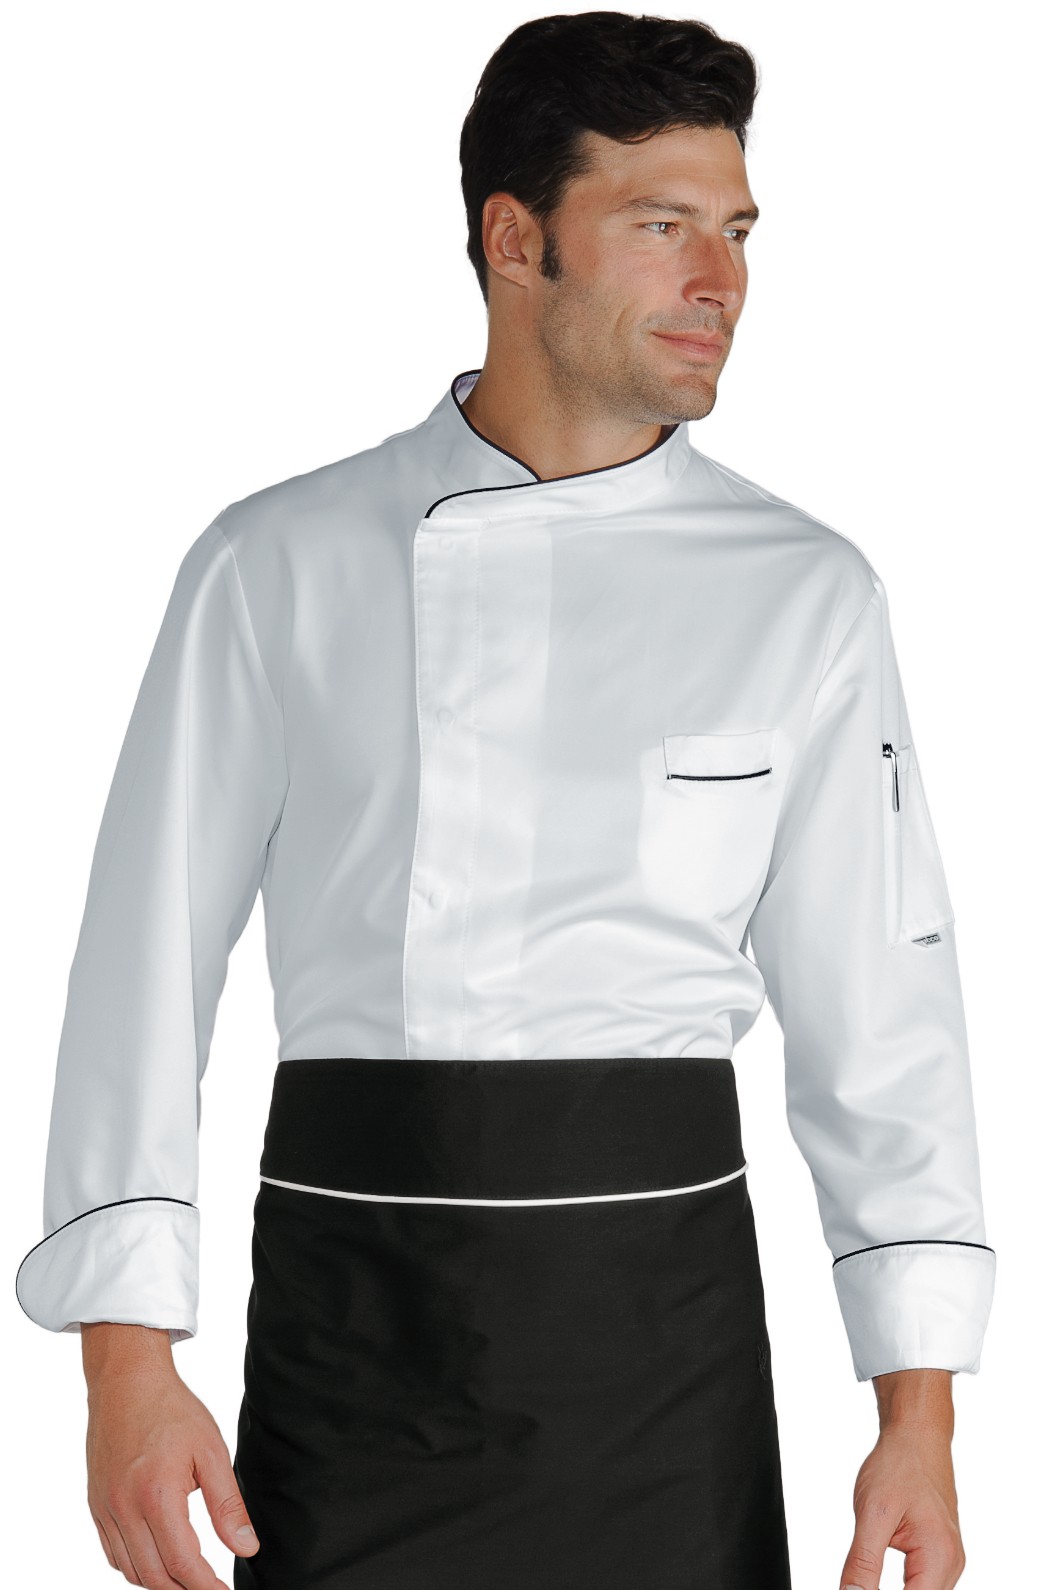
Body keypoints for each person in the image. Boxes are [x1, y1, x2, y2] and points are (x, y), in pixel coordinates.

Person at [14, 12, 995, 1590]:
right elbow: (142, 965)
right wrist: (126, 1366)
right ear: (514, 238)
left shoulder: (805, 592)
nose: (721, 280)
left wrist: (919, 1415)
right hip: (350, 1329)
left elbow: (884, 1017)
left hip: (660, 1357)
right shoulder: (277, 564)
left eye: (739, 232)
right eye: (662, 224)